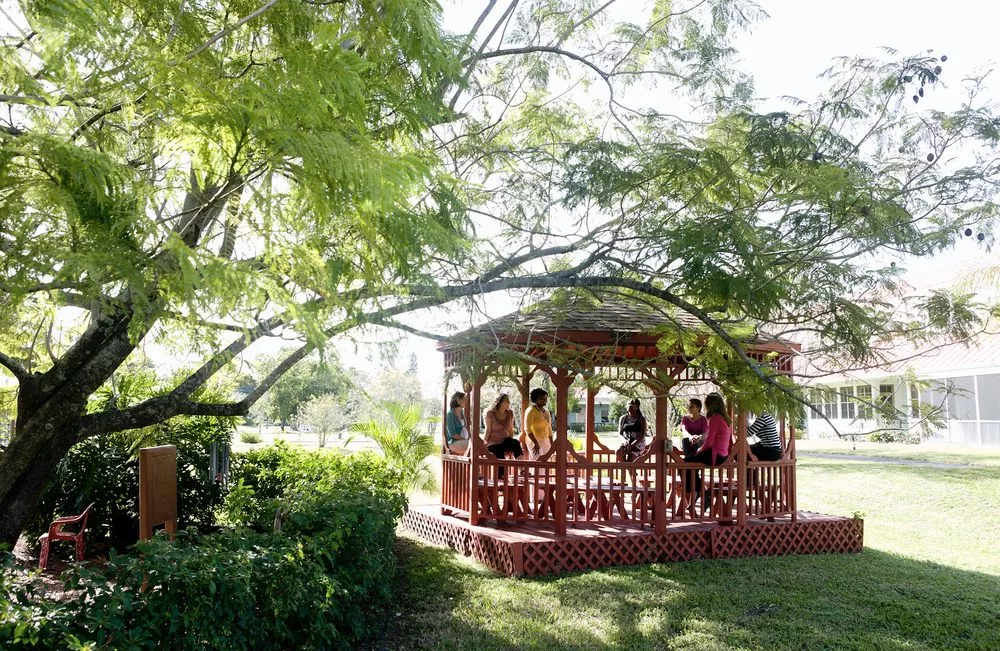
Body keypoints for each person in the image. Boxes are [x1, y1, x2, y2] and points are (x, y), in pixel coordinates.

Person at [684, 393, 731, 465]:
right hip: (723, 455)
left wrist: (700, 449)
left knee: (684, 462)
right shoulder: (725, 418)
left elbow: (709, 441)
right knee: (691, 459)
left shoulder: (715, 418)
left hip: (715, 455)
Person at [484, 393, 523, 476]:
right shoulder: (490, 413)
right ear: (500, 402)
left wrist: (511, 446)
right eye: (506, 401)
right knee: (499, 456)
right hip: (493, 443)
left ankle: (522, 470)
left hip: (505, 441)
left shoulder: (510, 413)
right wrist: (484, 444)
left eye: (509, 401)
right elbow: (488, 430)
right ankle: (500, 477)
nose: (509, 403)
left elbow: (511, 430)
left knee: (515, 443)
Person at [522, 388, 553, 460]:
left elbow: (549, 428)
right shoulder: (531, 410)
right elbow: (527, 429)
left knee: (547, 463)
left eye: (545, 398)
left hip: (545, 441)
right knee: (537, 462)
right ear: (535, 399)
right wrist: (535, 443)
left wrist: (552, 442)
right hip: (534, 441)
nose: (544, 400)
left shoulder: (547, 412)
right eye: (541, 399)